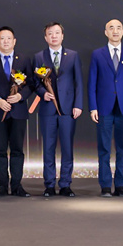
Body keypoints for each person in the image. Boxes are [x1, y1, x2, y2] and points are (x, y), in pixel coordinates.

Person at [88, 19, 123, 197]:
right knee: (104, 148)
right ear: (106, 32)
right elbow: (92, 83)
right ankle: (105, 186)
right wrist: (93, 107)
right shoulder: (97, 54)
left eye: (118, 28)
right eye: (111, 28)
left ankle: (121, 186)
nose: (115, 31)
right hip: (103, 107)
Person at [33, 22, 83, 197]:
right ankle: (49, 184)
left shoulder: (73, 55)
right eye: (50, 33)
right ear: (45, 37)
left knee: (67, 148)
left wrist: (78, 105)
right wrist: (43, 93)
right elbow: (35, 83)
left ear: (62, 36)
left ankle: (65, 184)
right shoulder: (39, 57)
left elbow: (78, 82)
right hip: (47, 109)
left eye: (57, 33)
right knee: (48, 148)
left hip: (68, 109)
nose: (53, 36)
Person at [0, 26, 34, 197]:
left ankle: (17, 185)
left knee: (17, 150)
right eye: (2, 38)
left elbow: (31, 84)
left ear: (14, 41)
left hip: (18, 111)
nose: (5, 41)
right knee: (0, 150)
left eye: (9, 38)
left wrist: (20, 96)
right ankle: (2, 185)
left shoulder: (24, 60)